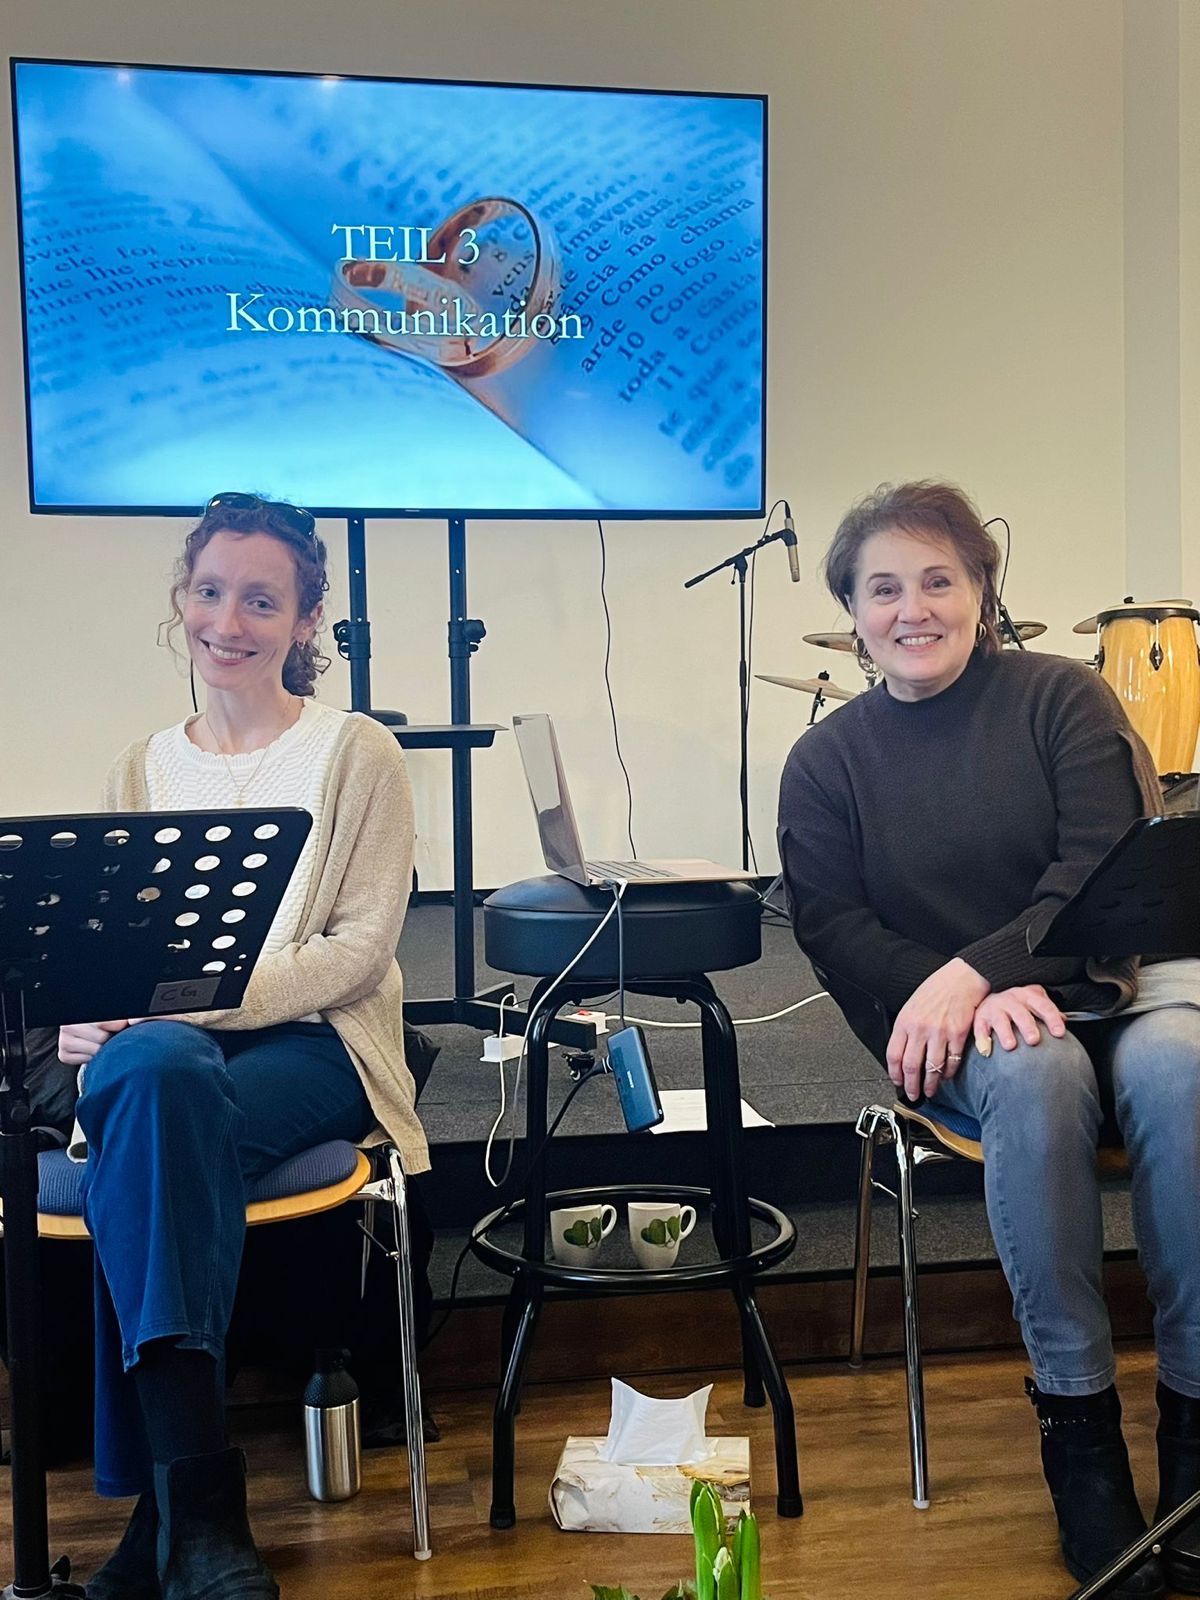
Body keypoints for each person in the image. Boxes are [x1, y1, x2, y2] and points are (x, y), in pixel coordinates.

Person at [778, 481, 1200, 1599]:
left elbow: (1101, 863)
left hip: (1116, 972)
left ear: (981, 590)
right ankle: (1080, 1433)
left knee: (1184, 1067)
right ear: (850, 611)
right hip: (980, 1027)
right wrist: (957, 995)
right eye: (883, 588)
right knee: (1036, 1069)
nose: (912, 608)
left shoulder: (1063, 697)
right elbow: (831, 924)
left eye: (939, 580)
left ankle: (1197, 1425)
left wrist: (979, 972)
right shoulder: (826, 763)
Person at [58, 492, 428, 1599]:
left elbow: (356, 953)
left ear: (306, 620)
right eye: (211, 591)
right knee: (153, 1080)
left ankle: (165, 1521)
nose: (230, 620)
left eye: (262, 600)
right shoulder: (138, 768)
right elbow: (113, 951)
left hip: (317, 1048)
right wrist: (88, 1011)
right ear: (182, 598)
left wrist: (182, 1005)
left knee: (153, 1110)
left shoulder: (357, 753)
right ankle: (199, 1516)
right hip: (165, 1063)